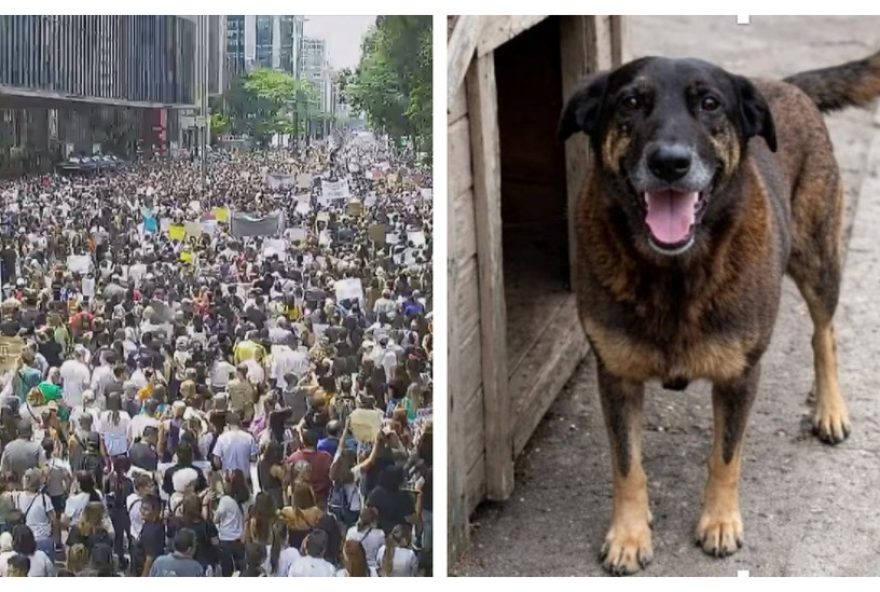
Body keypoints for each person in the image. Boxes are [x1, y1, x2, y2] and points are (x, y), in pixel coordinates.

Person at [213, 468, 249, 576]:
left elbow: (216, 519)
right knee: (242, 569)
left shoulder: (225, 500)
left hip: (225, 539)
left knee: (227, 571)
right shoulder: (249, 498)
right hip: (240, 539)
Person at [13, 469, 56, 559]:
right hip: (42, 538)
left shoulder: (17, 497)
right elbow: (54, 520)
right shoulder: (45, 499)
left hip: (24, 539)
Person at [346, 507, 385, 572]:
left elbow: (347, 550)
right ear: (374, 521)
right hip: (373, 569)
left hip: (355, 567)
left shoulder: (351, 531)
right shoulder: (380, 534)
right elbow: (382, 554)